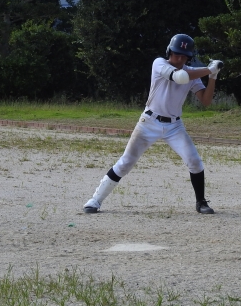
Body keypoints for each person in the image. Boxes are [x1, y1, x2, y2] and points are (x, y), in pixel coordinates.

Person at [82, 34, 223, 215]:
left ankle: (201, 202)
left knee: (194, 160)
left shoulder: (193, 74)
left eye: (184, 56)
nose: (180, 59)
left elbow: (206, 101)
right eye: (176, 54)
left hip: (174, 126)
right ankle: (95, 200)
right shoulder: (159, 63)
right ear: (169, 52)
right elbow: (179, 77)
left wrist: (213, 76)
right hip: (149, 122)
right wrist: (208, 69)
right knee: (126, 162)